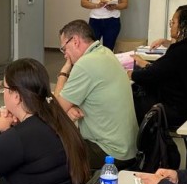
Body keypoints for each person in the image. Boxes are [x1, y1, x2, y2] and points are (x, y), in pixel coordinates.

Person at [55, 20, 138, 169]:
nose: (65, 55)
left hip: (109, 153)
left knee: (47, 151)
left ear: (75, 41)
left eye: (64, 48)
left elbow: (56, 108)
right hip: (127, 148)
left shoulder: (85, 64)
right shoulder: (105, 52)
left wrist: (63, 71)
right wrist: (70, 106)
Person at [130, 5, 187, 127]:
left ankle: (136, 139)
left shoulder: (181, 50)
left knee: (131, 98)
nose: (171, 26)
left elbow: (151, 75)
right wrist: (145, 64)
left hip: (175, 109)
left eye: (173, 22)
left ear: (183, 26)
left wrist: (130, 73)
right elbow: (163, 69)